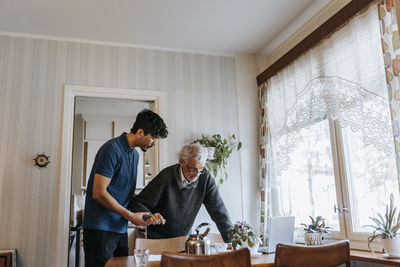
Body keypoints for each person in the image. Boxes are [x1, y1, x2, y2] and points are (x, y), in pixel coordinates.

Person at [82, 109, 168, 267]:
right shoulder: (111, 149)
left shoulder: (134, 156)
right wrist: (130, 216)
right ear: (141, 132)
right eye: (154, 137)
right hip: (100, 228)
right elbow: (99, 193)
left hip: (119, 229)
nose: (155, 142)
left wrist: (149, 210)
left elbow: (125, 192)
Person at [129, 144, 232, 242]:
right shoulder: (166, 177)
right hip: (158, 239)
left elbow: (219, 211)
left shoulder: (205, 178)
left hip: (184, 239)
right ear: (181, 163)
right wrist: (149, 216)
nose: (197, 175)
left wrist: (230, 241)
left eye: (201, 169)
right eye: (192, 169)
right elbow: (138, 203)